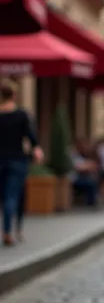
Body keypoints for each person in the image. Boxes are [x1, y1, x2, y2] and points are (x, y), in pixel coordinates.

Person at [0, 79, 43, 246]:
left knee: (5, 197)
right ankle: (13, 230)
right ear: (15, 95)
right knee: (15, 196)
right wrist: (37, 150)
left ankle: (8, 230)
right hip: (18, 160)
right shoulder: (21, 115)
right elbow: (31, 137)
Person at [71, 139, 99, 207]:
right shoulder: (73, 155)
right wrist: (87, 166)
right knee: (91, 184)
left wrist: (89, 165)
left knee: (93, 180)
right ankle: (91, 203)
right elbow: (79, 167)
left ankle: (92, 201)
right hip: (74, 179)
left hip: (80, 177)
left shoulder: (80, 155)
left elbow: (90, 164)